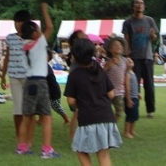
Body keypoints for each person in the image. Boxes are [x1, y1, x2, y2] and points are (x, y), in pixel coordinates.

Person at [64, 38, 122, 166]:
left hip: (88, 119)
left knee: (81, 149)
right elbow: (111, 94)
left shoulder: (74, 76)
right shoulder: (100, 71)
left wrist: (80, 105)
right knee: (104, 154)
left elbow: (71, 100)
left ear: (74, 56)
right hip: (107, 117)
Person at [17, 2, 61, 158]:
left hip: (28, 83)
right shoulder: (40, 42)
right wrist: (44, 9)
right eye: (37, 30)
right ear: (35, 34)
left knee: (27, 116)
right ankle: (47, 150)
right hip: (40, 82)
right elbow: (49, 27)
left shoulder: (22, 45)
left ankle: (22, 147)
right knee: (47, 116)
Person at [0, 9, 32, 147]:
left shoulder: (32, 38)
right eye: (16, 21)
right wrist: (2, 75)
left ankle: (28, 138)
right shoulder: (10, 38)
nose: (17, 24)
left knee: (29, 109)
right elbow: (7, 56)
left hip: (28, 76)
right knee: (17, 109)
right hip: (13, 75)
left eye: (20, 21)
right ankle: (19, 138)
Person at [122, 0, 157, 118]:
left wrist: (153, 35)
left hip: (147, 57)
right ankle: (132, 108)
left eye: (141, 3)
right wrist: (127, 56)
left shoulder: (149, 20)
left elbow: (154, 38)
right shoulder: (128, 22)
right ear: (133, 6)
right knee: (133, 85)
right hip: (134, 58)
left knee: (149, 85)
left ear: (144, 6)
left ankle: (150, 110)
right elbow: (126, 40)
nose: (139, 5)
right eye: (137, 3)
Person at [102, 37, 128, 122]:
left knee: (119, 111)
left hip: (119, 92)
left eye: (120, 45)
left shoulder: (125, 61)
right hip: (108, 91)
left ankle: (112, 123)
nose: (119, 46)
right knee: (105, 110)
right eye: (116, 45)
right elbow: (101, 74)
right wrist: (108, 66)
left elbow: (127, 76)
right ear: (110, 49)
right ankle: (106, 123)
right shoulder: (108, 61)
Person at [46, 50, 70, 125]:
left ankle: (67, 119)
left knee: (56, 106)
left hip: (53, 90)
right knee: (45, 105)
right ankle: (42, 119)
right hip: (48, 90)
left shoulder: (46, 67)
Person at [123, 59, 140, 138]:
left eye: (131, 61)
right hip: (130, 98)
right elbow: (127, 87)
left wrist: (137, 94)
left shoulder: (133, 73)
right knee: (130, 115)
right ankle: (126, 132)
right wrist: (128, 99)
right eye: (128, 62)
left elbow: (135, 86)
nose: (131, 62)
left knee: (134, 115)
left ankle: (132, 130)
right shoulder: (127, 74)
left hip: (135, 97)